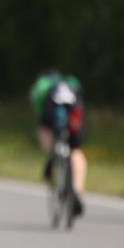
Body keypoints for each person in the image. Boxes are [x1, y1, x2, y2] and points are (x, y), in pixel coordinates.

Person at [29, 70, 86, 216]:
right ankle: (77, 192)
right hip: (74, 110)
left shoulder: (43, 85)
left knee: (45, 132)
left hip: (51, 112)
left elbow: (39, 110)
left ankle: (51, 157)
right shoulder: (72, 82)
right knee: (76, 151)